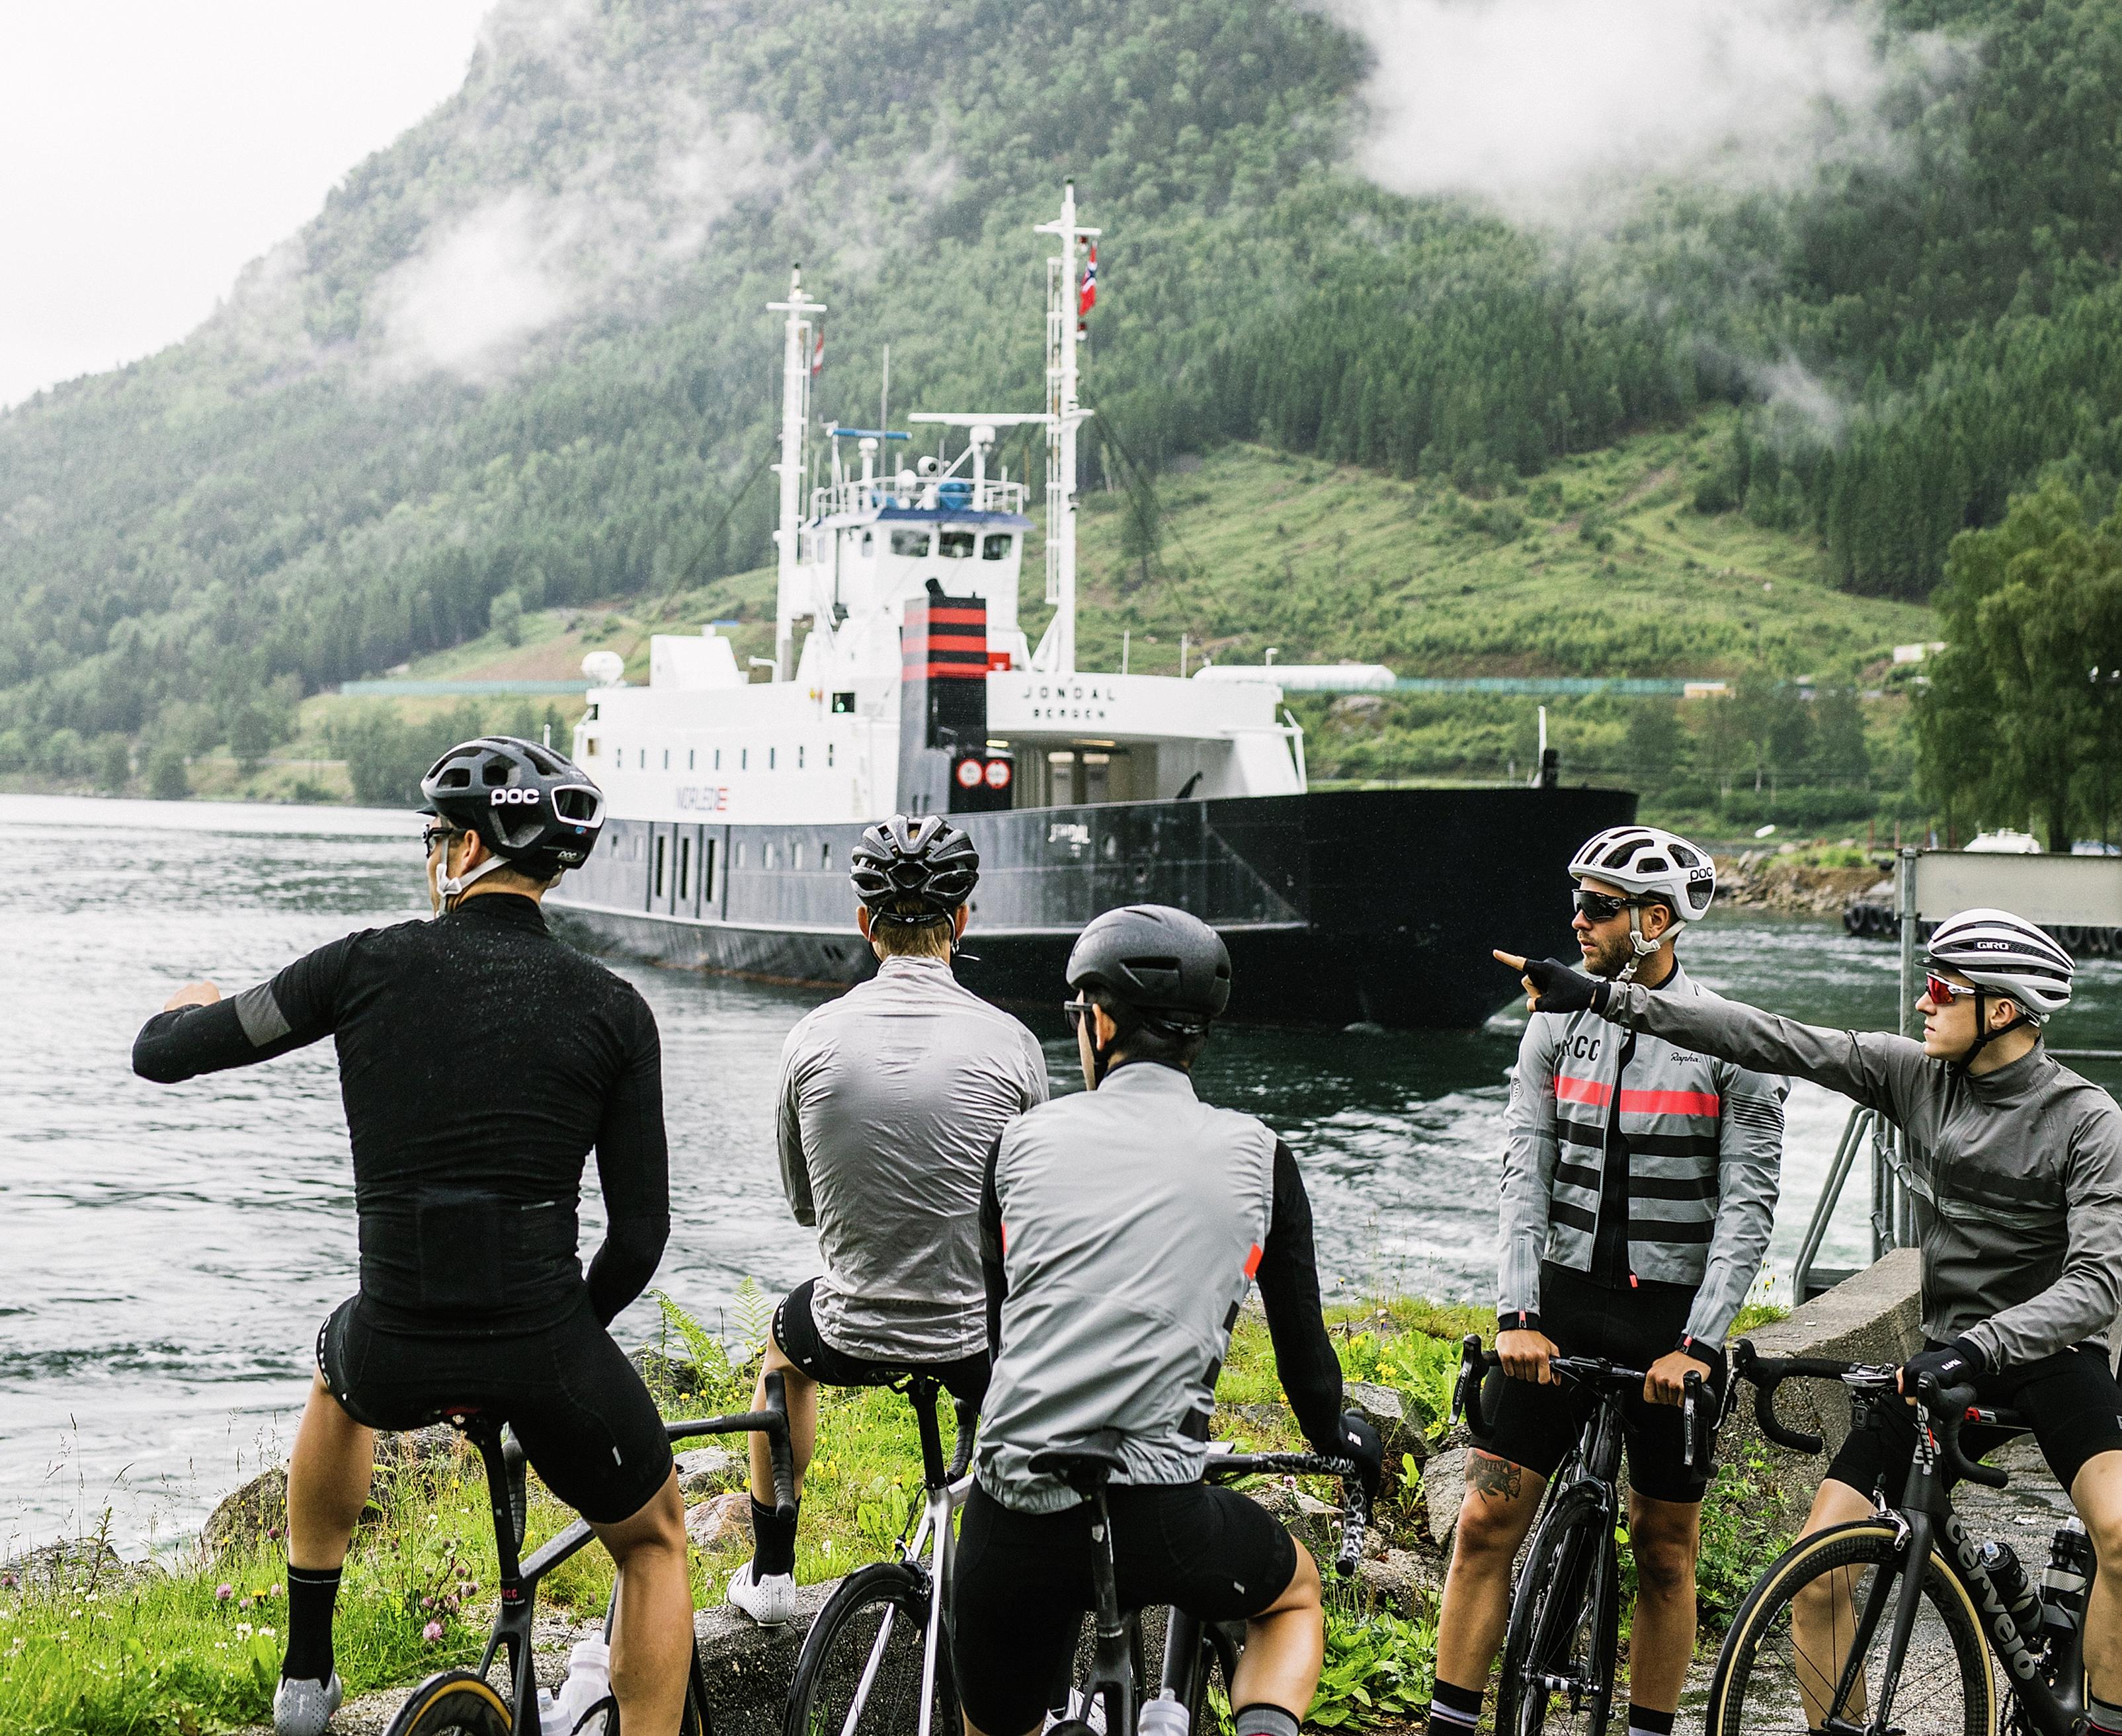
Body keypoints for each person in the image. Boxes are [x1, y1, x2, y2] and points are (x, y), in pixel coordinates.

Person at [132, 737, 691, 1736]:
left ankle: (308, 1679)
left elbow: (164, 1056)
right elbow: (639, 1237)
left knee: (334, 1370)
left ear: (466, 846)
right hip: (544, 1347)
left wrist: (192, 1003)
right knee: (653, 1544)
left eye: (436, 836)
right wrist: (564, 1336)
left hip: (393, 1343)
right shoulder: (616, 1010)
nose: (430, 854)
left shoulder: (361, 966)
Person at [1500, 904, 2122, 1735]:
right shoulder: (1910, 1074)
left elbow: (2095, 1283)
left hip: (2050, 1352)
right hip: (1945, 1356)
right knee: (1816, 1571)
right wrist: (1601, 998)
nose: (1920, 1005)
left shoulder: (2086, 1122)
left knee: (2118, 1533)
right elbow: (1765, 1035)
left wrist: (1981, 1343)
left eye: (1940, 989)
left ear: (1999, 1012)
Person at [952, 904, 1383, 1736]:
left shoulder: (1017, 1145)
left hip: (1014, 1509)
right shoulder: (1262, 1159)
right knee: (1292, 1598)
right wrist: (1338, 1435)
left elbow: (1005, 1334)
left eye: (1079, 1014)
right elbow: (1303, 1360)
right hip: (1160, 1517)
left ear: (1101, 1020)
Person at [1426, 826, 1785, 1736]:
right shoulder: (1552, 1025)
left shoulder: (1730, 1043)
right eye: (1576, 900)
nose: (1574, 920)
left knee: (1666, 1553)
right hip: (1559, 1306)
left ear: (1655, 922)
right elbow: (1525, 1169)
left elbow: (1746, 1211)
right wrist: (1516, 1311)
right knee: (1481, 1523)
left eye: (1597, 907)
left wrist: (1699, 1346)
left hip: (1670, 1325)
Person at [725, 814, 1049, 1624]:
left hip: (850, 1330)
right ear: (963, 921)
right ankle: (991, 1549)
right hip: (979, 1339)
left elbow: (804, 1206)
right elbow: (1029, 1212)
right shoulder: (1012, 1044)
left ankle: (770, 1575)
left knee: (781, 1352)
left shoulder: (811, 1038)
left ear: (864, 924)